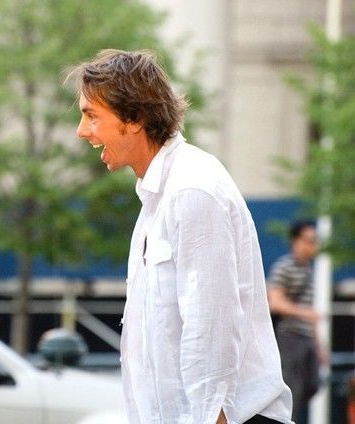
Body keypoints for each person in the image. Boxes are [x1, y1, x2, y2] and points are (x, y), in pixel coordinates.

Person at [66, 49, 292, 424]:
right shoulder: (160, 195)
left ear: (134, 118)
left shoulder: (191, 189)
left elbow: (211, 327)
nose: (82, 130)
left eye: (92, 115)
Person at [267, 220, 324, 424]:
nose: (313, 245)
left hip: (306, 337)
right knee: (293, 388)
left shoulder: (308, 270)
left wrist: (319, 345)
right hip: (290, 336)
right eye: (310, 240)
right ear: (296, 241)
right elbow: (275, 303)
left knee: (313, 384)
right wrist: (305, 314)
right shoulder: (284, 267)